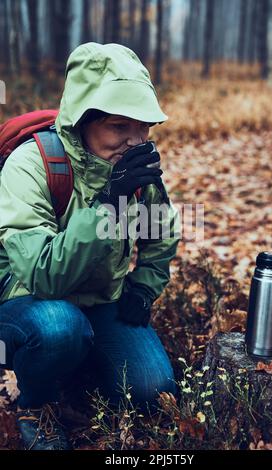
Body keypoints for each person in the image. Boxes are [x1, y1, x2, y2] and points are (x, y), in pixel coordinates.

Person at [0, 43, 180, 450]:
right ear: (82, 120)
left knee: (152, 390)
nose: (136, 140)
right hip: (27, 302)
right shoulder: (32, 164)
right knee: (58, 328)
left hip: (100, 299)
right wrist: (108, 206)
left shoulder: (133, 165)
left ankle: (74, 363)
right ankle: (36, 403)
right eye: (120, 126)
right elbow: (44, 276)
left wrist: (145, 286)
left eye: (144, 126)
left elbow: (162, 230)